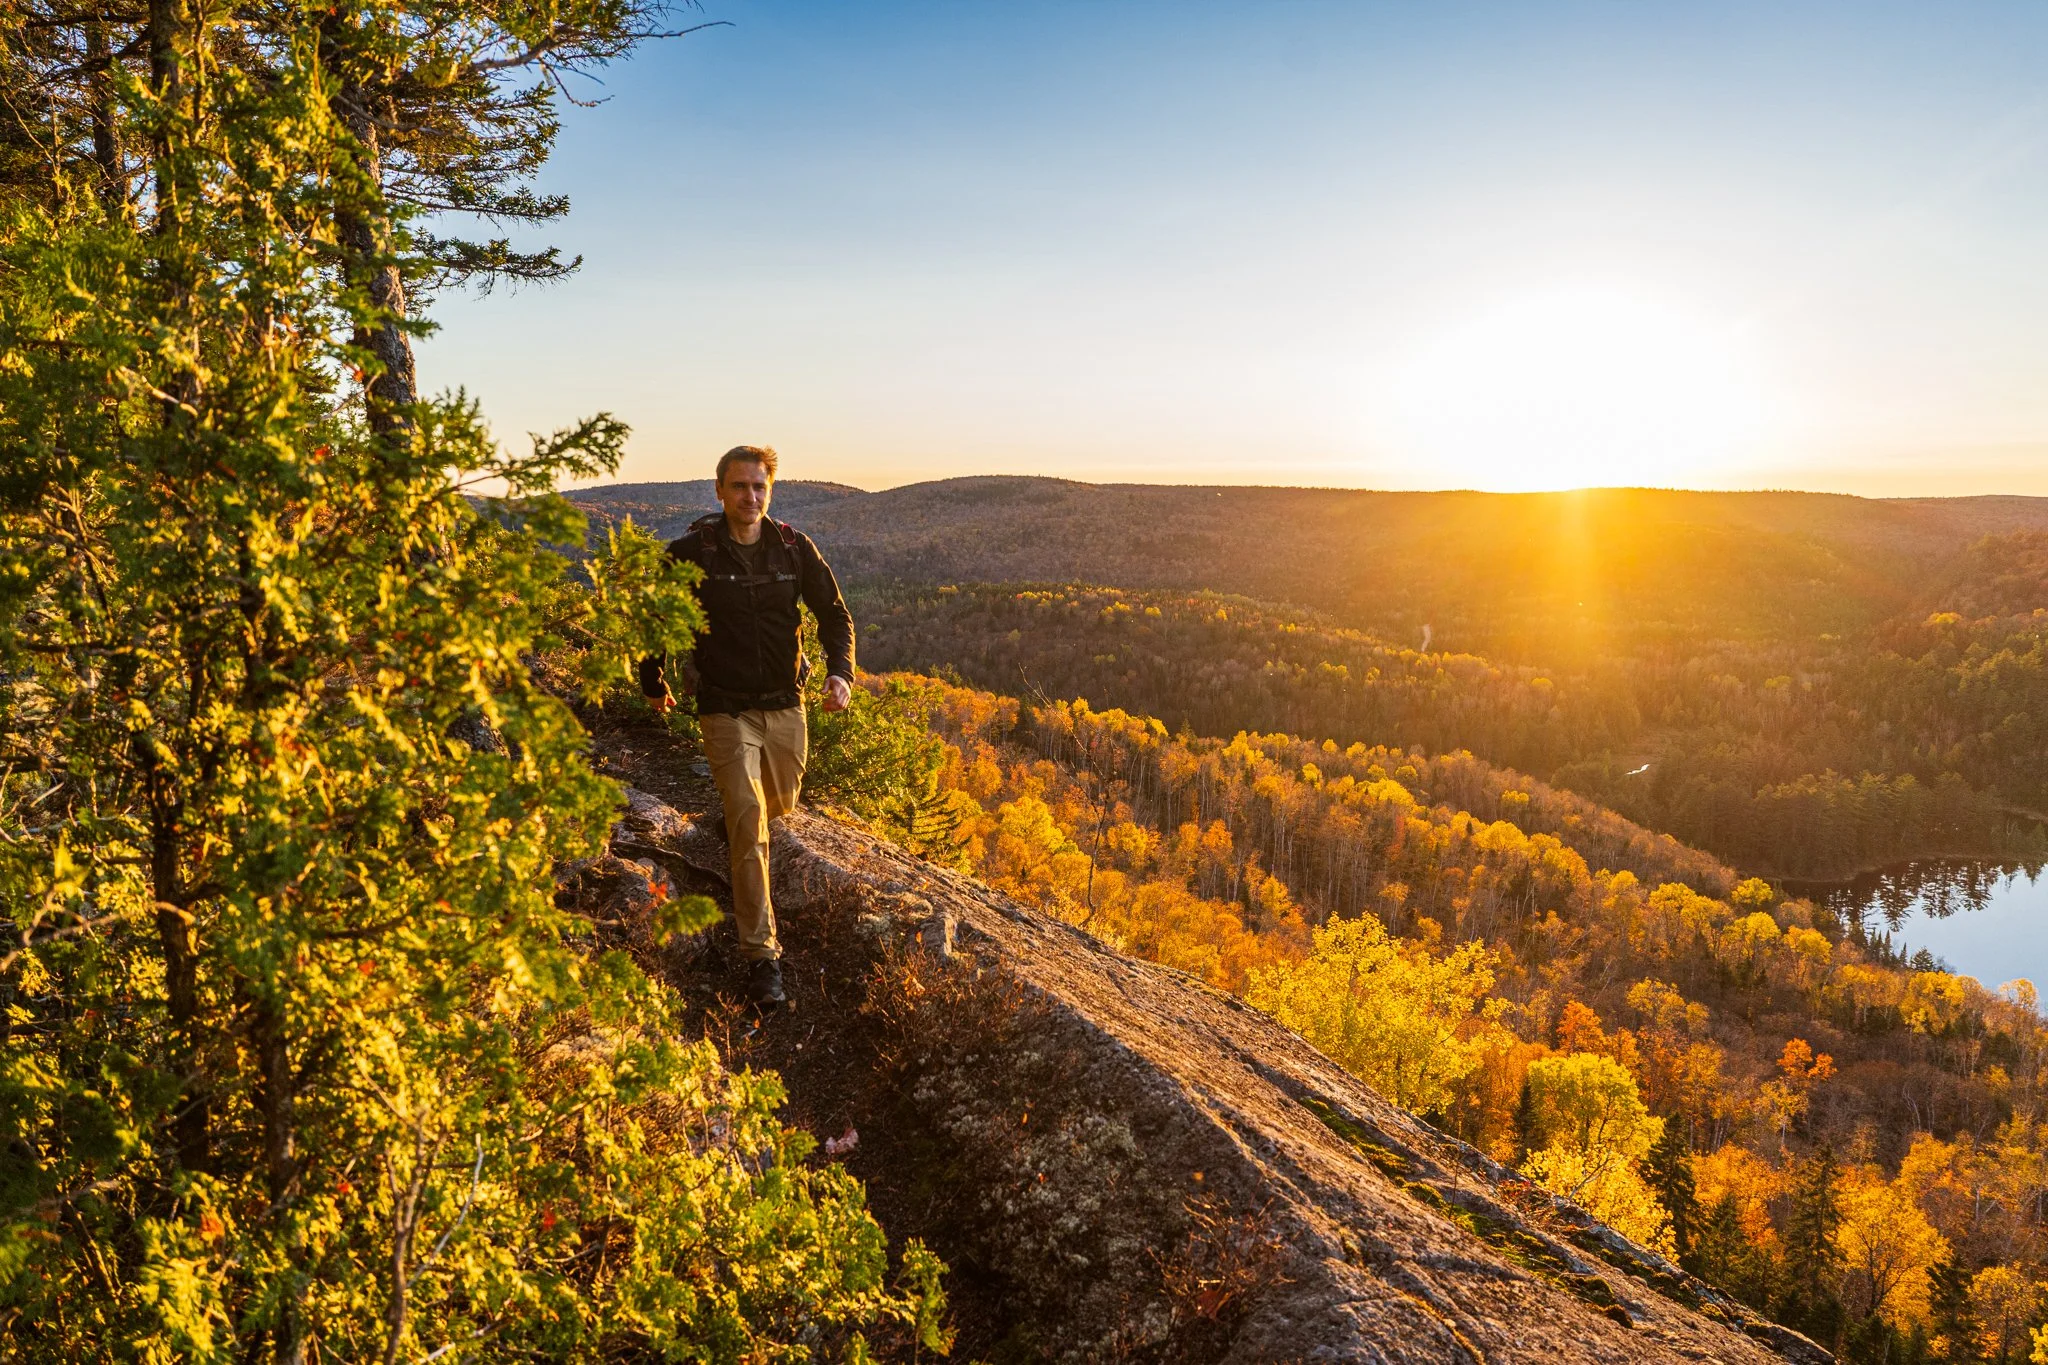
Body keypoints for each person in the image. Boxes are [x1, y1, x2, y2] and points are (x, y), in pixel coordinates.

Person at [639, 445, 855, 1008]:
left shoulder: (792, 548)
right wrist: (652, 677)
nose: (750, 497)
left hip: (787, 703)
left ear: (770, 490)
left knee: (779, 804)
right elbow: (658, 617)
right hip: (723, 706)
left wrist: (841, 675)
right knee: (753, 819)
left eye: (759, 487)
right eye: (739, 487)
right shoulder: (692, 553)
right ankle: (763, 958)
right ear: (719, 491)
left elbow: (834, 614)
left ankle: (733, 830)